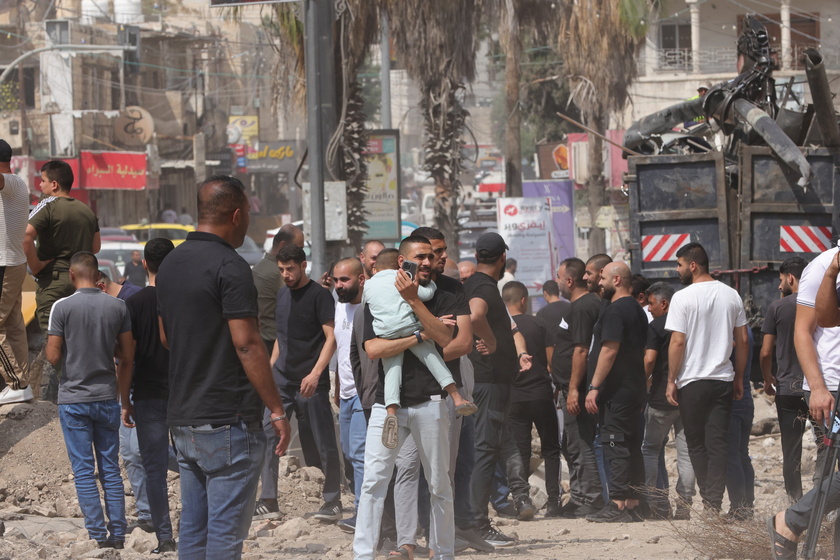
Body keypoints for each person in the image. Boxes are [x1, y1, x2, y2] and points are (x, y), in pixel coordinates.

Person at [156, 175, 291, 560]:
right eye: (248, 212)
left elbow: (168, 337)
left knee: (194, 536)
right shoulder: (231, 267)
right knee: (224, 539)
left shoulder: (170, 265)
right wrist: (277, 409)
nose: (248, 219)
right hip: (227, 420)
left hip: (183, 419)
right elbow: (247, 344)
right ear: (236, 214)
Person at [353, 235, 458, 560]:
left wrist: (414, 302)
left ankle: (443, 554)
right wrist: (418, 334)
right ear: (403, 262)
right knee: (373, 483)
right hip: (389, 405)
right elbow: (373, 349)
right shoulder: (378, 293)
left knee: (440, 486)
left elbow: (446, 338)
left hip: (431, 402)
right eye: (419, 257)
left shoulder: (441, 292)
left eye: (430, 256)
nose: (427, 262)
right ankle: (363, 554)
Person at [45, 251, 133, 549]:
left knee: (83, 469)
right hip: (107, 397)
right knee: (110, 467)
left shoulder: (62, 307)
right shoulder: (117, 306)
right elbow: (126, 355)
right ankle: (119, 534)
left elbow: (53, 355)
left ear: (72, 275)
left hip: (73, 399)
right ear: (98, 276)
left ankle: (97, 535)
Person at [768, 248, 840, 560]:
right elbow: (804, 330)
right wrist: (819, 387)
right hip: (832, 387)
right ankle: (791, 520)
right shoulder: (822, 266)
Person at [665, 242, 748, 513]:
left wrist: (671, 380)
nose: (676, 270)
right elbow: (743, 340)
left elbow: (678, 342)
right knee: (718, 443)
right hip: (723, 379)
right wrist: (739, 378)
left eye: (679, 264)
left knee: (696, 443)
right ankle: (713, 501)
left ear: (692, 265)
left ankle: (710, 501)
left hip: (692, 382)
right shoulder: (731, 295)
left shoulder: (682, 298)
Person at [465, 232, 535, 546]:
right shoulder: (482, 286)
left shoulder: (479, 284)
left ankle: (472, 522)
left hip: (489, 382)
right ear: (502, 258)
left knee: (484, 451)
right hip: (489, 383)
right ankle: (478, 525)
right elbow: (477, 314)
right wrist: (491, 341)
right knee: (485, 452)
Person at [363, 254, 476, 449]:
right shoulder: (401, 282)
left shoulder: (369, 285)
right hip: (410, 328)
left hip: (386, 334)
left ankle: (391, 412)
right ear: (400, 264)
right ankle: (457, 397)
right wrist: (429, 286)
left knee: (392, 371)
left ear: (375, 269)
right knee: (433, 359)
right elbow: (423, 295)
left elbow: (369, 305)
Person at [272, 244, 341, 521]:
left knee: (324, 441)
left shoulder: (319, 296)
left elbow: (331, 337)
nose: (286, 275)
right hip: (282, 380)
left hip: (311, 382)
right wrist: (270, 372)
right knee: (269, 436)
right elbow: (281, 337)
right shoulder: (281, 295)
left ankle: (332, 500)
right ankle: (268, 500)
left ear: (303, 265)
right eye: (281, 270)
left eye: (290, 269)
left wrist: (316, 374)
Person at [25, 160, 100, 400]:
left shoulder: (47, 205)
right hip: (83, 283)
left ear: (54, 184)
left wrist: (36, 266)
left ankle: (69, 396)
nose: (40, 184)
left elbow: (25, 236)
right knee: (83, 339)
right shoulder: (86, 210)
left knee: (55, 343)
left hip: (54, 282)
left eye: (43, 180)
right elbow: (95, 247)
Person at [120, 238, 177, 553]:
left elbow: (128, 358)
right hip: (184, 392)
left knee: (154, 470)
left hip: (148, 394)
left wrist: (125, 400)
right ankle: (201, 532)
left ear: (144, 264)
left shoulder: (135, 303)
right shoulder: (183, 301)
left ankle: (166, 539)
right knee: (194, 465)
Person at [583, 262, 648, 522]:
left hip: (617, 393)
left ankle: (618, 503)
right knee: (631, 445)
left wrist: (594, 387)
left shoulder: (616, 311)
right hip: (634, 390)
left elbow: (609, 350)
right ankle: (632, 503)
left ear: (617, 280)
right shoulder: (637, 310)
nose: (600, 282)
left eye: (603, 278)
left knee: (614, 443)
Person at [503, 281, 562, 517]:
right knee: (551, 449)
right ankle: (555, 502)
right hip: (540, 393)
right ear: (524, 300)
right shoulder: (539, 323)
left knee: (520, 450)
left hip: (514, 397)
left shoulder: (503, 327)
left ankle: (522, 501)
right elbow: (551, 361)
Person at [557, 256, 608, 518]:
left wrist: (574, 389)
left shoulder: (583, 307)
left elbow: (581, 350)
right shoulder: (584, 305)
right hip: (570, 386)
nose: (557, 282)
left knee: (581, 443)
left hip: (576, 388)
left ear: (568, 280)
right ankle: (579, 496)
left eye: (558, 277)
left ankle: (593, 498)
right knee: (572, 443)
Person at [640, 282, 694, 520]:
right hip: (687, 396)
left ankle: (651, 502)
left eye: (651, 303)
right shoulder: (688, 324)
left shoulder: (656, 326)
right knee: (686, 453)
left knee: (650, 449)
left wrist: (640, 382)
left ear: (664, 303)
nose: (648, 308)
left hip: (661, 398)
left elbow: (649, 360)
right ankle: (685, 505)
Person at [760, 256, 808, 501]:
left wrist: (767, 379)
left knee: (791, 450)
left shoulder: (777, 308)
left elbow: (766, 351)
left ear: (791, 278)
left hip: (788, 389)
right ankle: (824, 501)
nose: (779, 287)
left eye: (781, 281)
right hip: (821, 389)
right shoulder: (822, 305)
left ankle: (796, 503)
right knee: (827, 446)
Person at [330, 257, 367, 533]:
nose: (339, 285)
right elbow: (340, 348)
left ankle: (364, 514)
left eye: (345, 280)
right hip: (344, 392)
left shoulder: (369, 309)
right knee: (349, 454)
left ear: (361, 279)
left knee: (360, 454)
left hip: (365, 395)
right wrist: (337, 384)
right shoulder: (339, 306)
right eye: (336, 280)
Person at [0, 138, 32, 405]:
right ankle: (21, 384)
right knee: (13, 326)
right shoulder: (19, 184)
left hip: (4, 264)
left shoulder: (9, 183)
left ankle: (18, 383)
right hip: (13, 262)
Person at [252, 224, 304, 358]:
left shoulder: (260, 266)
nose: (301, 255)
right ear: (283, 245)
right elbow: (300, 302)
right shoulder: (277, 273)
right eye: (298, 249)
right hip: (275, 344)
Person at [536, 279, 570, 343]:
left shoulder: (542, 313)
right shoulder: (570, 307)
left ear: (545, 293)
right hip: (570, 349)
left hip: (552, 350)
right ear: (558, 292)